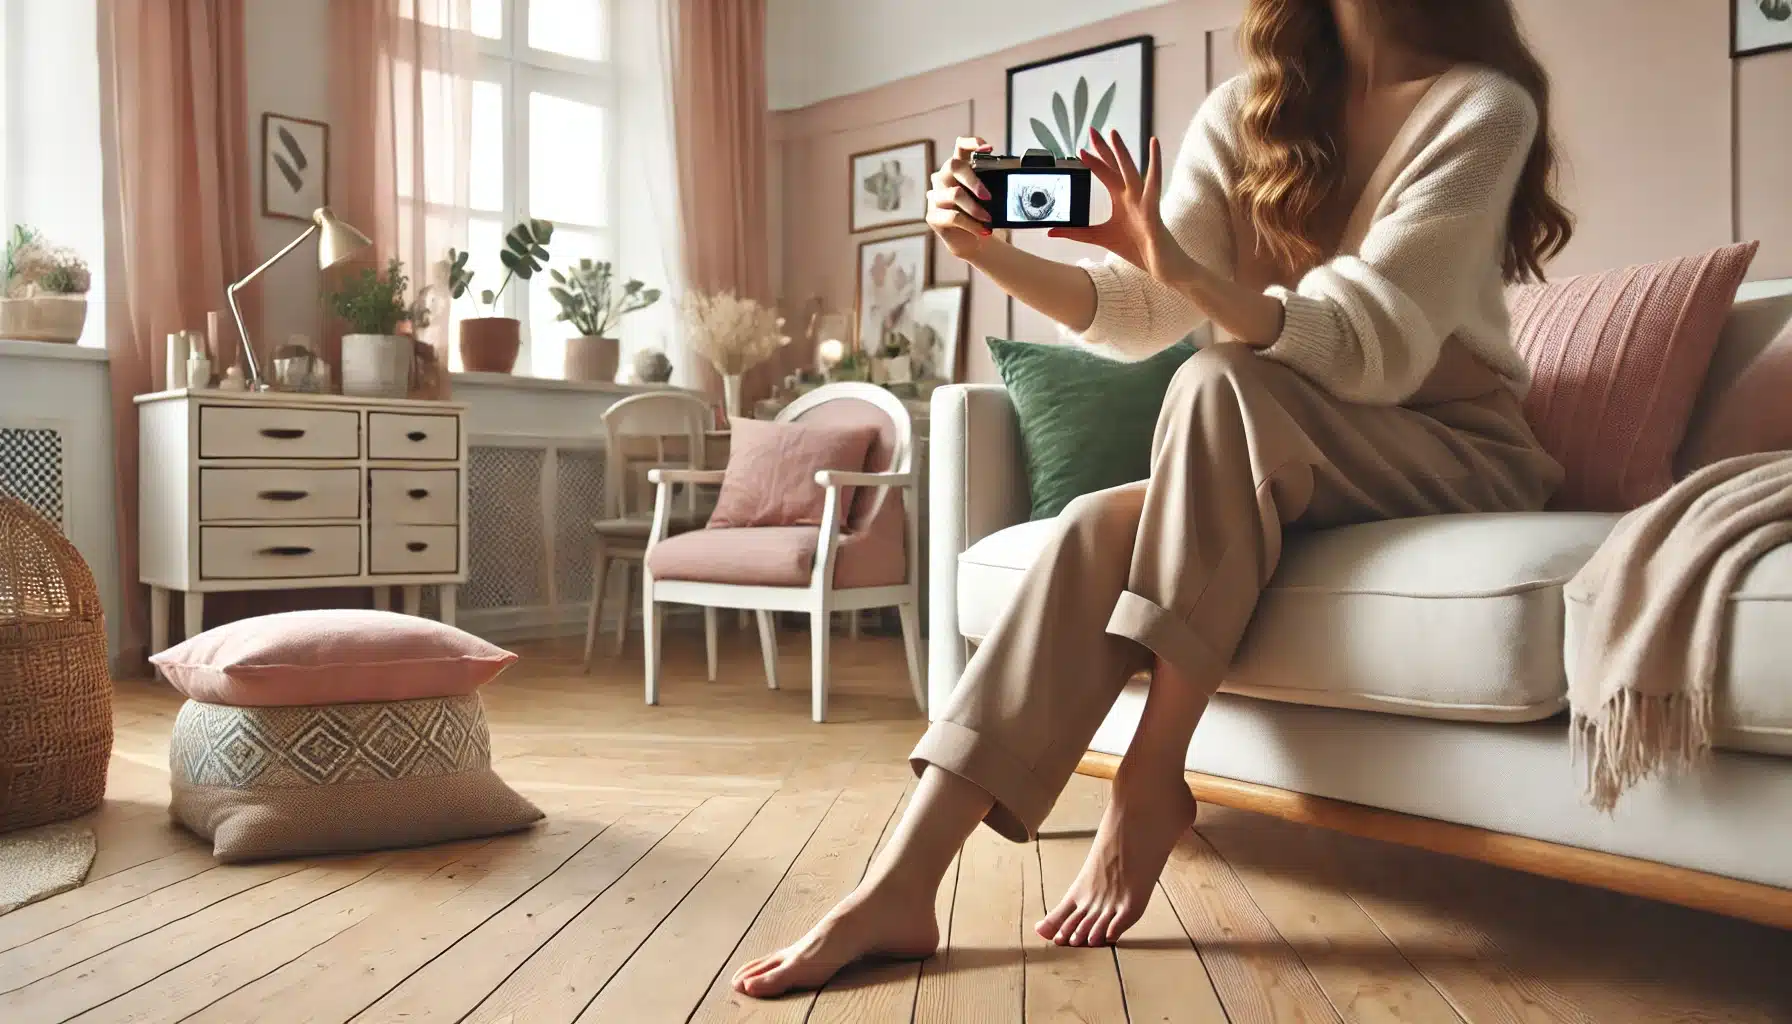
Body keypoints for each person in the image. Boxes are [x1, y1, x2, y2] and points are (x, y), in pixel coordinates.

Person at [733, 0, 1572, 997]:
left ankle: (1149, 774)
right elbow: (1145, 314)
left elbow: (1365, 342)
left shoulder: (1483, 107)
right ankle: (900, 882)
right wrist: (993, 253)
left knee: (1220, 383)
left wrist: (1178, 267)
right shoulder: (1247, 112)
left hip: (1445, 446)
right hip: (1277, 444)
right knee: (1094, 521)